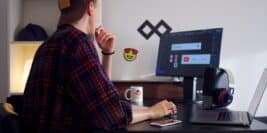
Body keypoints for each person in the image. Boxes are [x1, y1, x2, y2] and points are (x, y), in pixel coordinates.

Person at [21, 0, 177, 132]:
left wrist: (107, 53)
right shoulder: (77, 43)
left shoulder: (47, 45)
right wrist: (152, 112)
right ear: (90, 7)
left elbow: (104, 99)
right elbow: (111, 116)